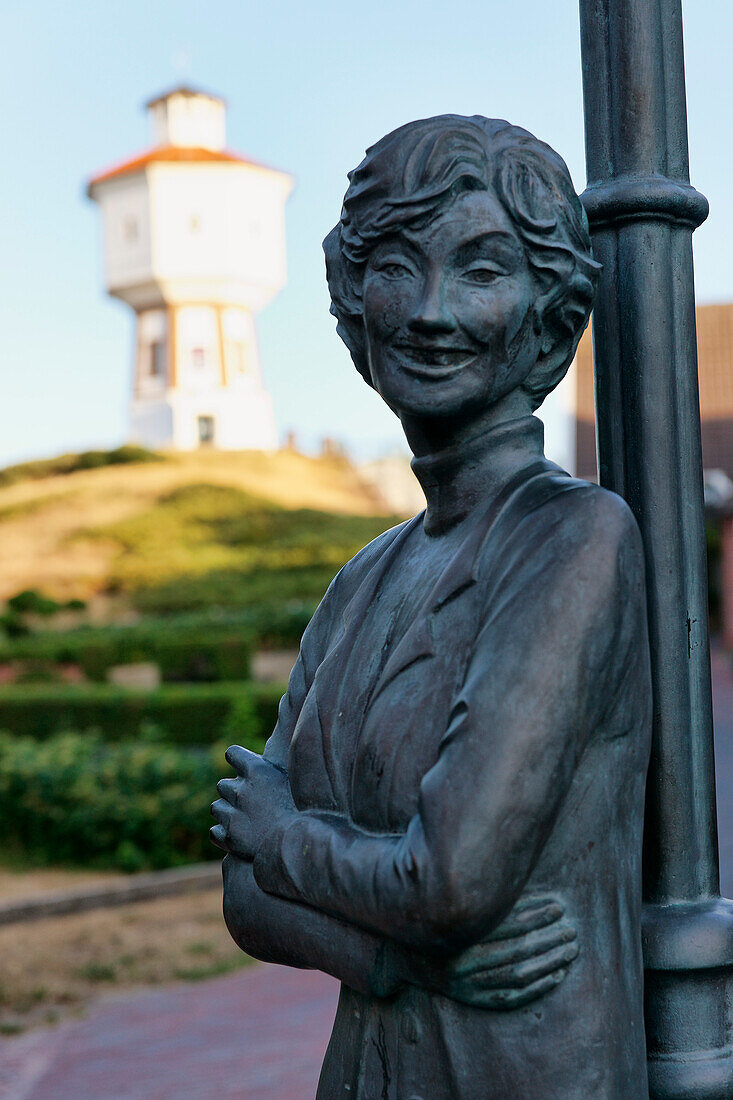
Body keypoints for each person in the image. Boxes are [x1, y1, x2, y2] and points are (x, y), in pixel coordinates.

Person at [211, 115, 652, 1099]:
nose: (430, 310)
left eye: (483, 270)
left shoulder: (573, 536)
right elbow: (240, 894)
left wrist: (289, 841)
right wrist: (390, 959)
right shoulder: (364, 577)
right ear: (352, 301)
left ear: (547, 313)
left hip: (522, 1073)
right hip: (371, 1068)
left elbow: (447, 880)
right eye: (398, 266)